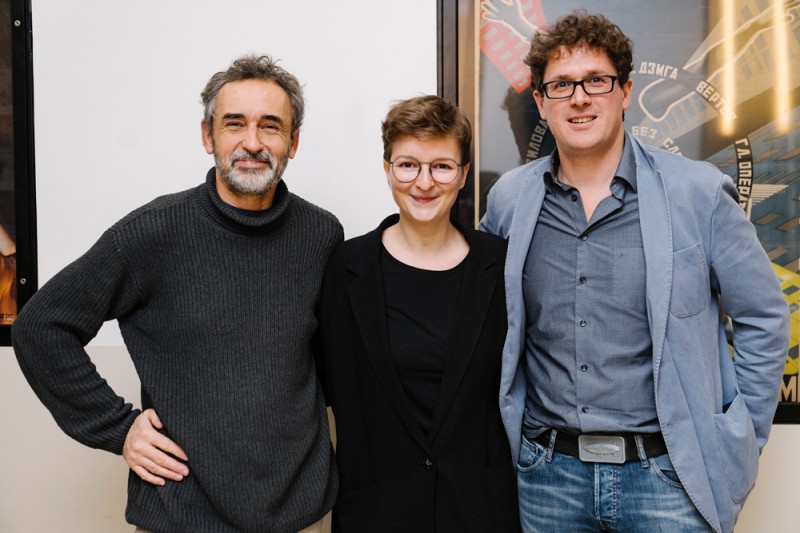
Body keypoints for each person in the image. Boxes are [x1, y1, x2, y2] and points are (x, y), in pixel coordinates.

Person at [479, 10, 790, 533]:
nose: (578, 98)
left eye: (595, 81)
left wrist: (739, 436)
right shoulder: (510, 200)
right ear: (541, 102)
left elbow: (764, 316)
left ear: (625, 91)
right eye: (560, 85)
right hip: (546, 478)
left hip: (669, 481)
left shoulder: (698, 193)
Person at [12, 54, 342, 533]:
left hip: (300, 513)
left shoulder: (321, 235)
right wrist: (119, 428)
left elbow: (329, 358)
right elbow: (41, 327)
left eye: (271, 126)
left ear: (293, 142)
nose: (252, 142)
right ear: (208, 136)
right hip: (181, 514)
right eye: (234, 124)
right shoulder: (151, 234)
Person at [318, 95, 521, 532]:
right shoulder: (345, 268)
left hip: (480, 511)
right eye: (408, 165)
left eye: (442, 166)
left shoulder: (501, 267)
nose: (424, 182)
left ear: (464, 174)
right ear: (387, 168)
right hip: (375, 510)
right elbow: (317, 385)